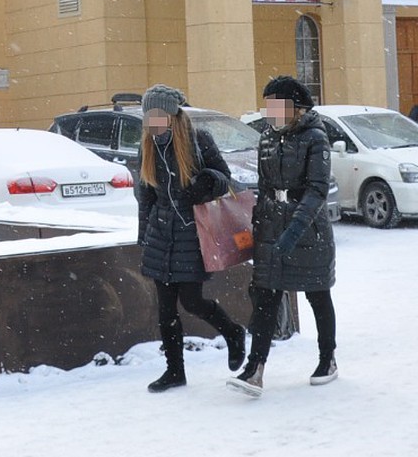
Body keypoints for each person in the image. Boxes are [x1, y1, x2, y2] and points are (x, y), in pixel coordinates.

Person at [228, 75, 336, 397]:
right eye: (268, 105)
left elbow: (317, 191)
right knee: (266, 297)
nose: (270, 112)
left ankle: (327, 359)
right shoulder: (267, 138)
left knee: (317, 294)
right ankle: (254, 370)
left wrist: (294, 231)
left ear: (296, 108)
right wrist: (257, 226)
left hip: (309, 229)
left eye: (277, 105)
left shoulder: (315, 137)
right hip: (272, 226)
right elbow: (264, 186)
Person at [136, 83, 247, 392]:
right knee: (166, 309)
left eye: (157, 114)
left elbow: (224, 178)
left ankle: (233, 332)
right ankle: (175, 371)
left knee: (193, 301)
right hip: (160, 235)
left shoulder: (198, 141)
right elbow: (145, 196)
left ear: (172, 115)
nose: (152, 122)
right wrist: (144, 237)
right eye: (149, 116)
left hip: (192, 234)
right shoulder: (147, 146)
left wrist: (205, 183)